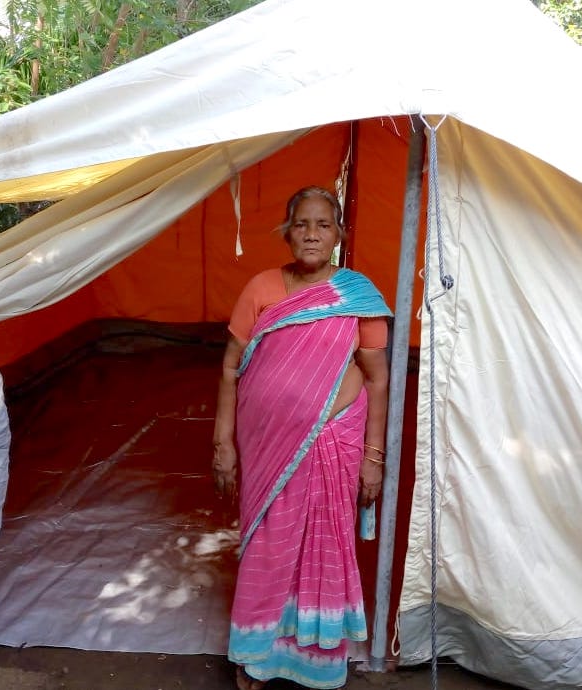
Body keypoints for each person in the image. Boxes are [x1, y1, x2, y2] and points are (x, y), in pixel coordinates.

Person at [212, 186, 392, 690]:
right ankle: (256, 654)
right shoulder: (261, 287)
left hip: (335, 442)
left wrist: (373, 457)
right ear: (287, 231)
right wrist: (223, 443)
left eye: (324, 225)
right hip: (268, 445)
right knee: (268, 540)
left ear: (339, 234)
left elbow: (377, 378)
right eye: (302, 224)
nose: (312, 234)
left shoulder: (357, 295)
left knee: (323, 541)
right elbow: (230, 367)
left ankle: (314, 658)